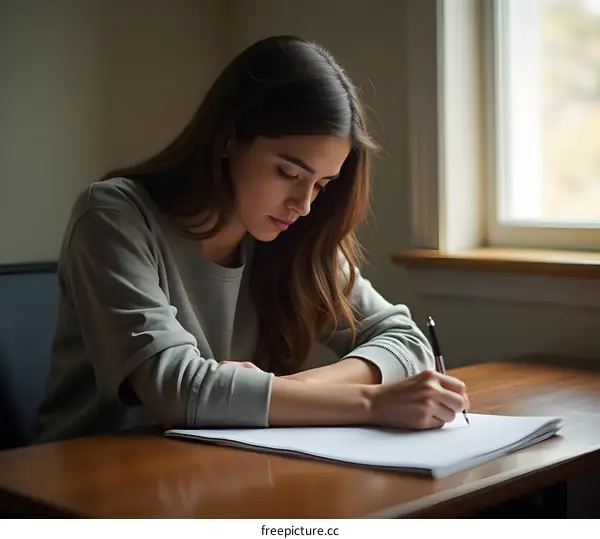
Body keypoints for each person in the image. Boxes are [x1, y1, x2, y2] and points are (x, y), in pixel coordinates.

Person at [34, 35, 469, 444]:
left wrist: (281, 390)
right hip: (87, 480)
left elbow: (406, 339)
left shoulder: (290, 235)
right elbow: (177, 390)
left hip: (212, 469)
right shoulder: (113, 217)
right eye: (289, 173)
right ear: (228, 138)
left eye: (321, 184)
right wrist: (371, 401)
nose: (303, 204)